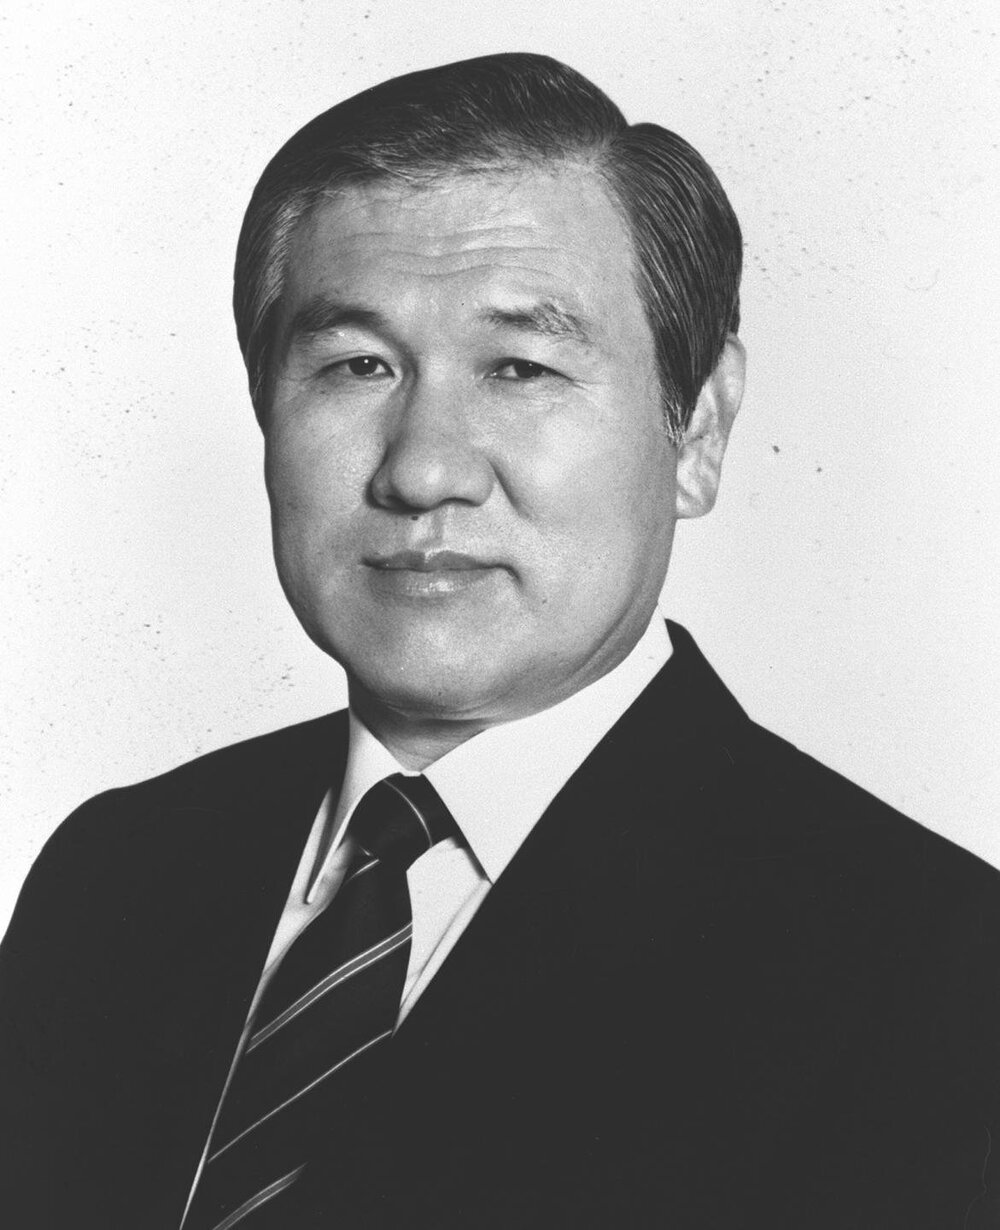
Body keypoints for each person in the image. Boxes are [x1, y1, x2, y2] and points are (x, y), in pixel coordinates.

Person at [1, 52, 997, 1230]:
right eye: (356, 365)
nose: (423, 468)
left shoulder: (935, 977)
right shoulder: (114, 875)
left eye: (520, 367)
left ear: (697, 430)